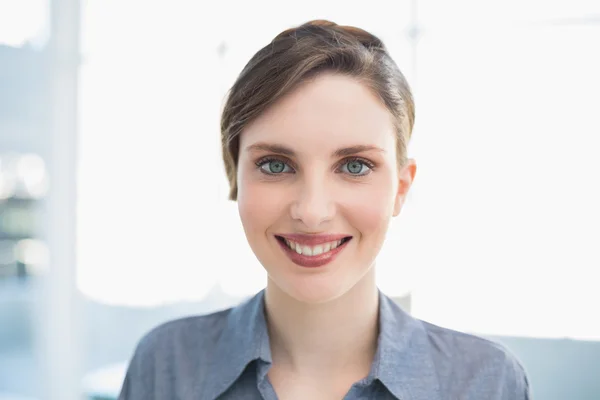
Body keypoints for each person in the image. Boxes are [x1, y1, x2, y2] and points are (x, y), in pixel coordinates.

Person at [118, 20, 530, 400]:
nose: (312, 212)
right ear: (235, 178)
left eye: (355, 166)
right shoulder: (165, 366)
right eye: (276, 165)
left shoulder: (487, 382)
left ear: (401, 188)